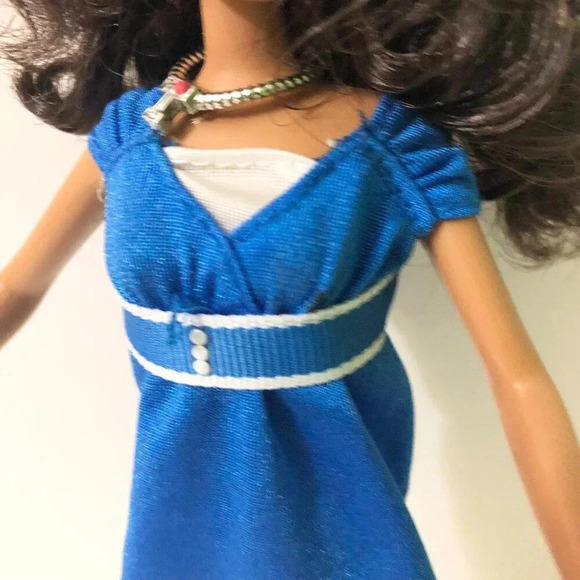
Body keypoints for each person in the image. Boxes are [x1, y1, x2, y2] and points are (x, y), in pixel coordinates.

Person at [1, 1, 579, 578]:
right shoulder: (130, 135)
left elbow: (519, 378)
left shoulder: (391, 146)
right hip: (179, 514)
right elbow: (19, 286)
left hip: (341, 522)